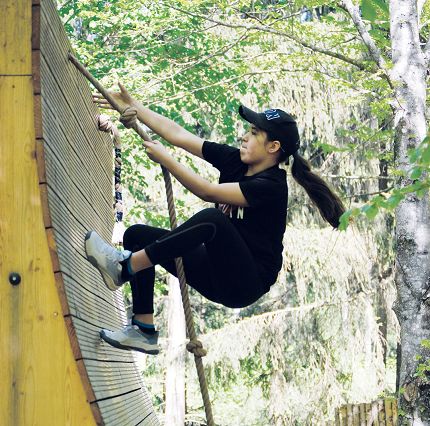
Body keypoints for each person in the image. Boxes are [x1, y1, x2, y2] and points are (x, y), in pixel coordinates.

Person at [85, 83, 345, 355]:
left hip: (244, 283)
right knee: (137, 236)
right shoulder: (235, 161)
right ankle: (143, 329)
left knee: (213, 220)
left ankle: (124, 267)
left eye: (254, 133)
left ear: (273, 147)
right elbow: (179, 135)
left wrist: (167, 160)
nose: (244, 137)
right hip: (215, 268)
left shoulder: (272, 186)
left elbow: (207, 192)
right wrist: (136, 108)